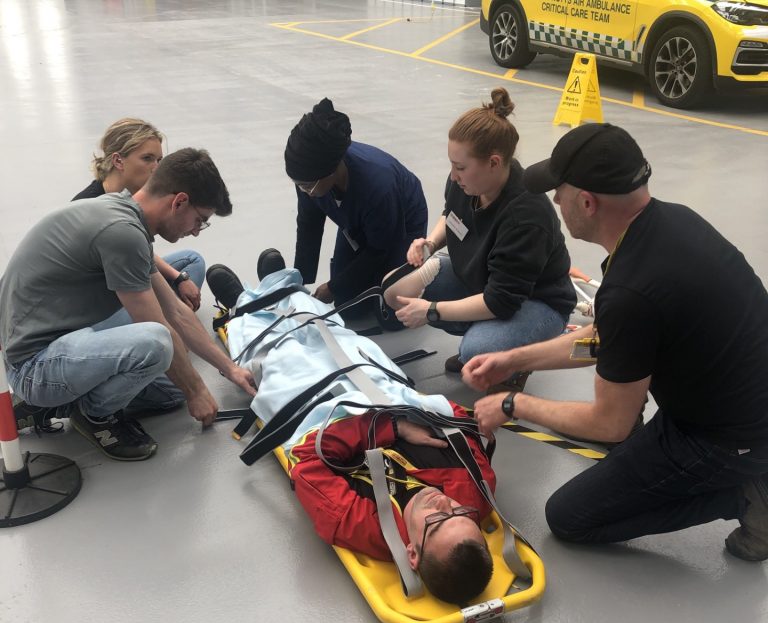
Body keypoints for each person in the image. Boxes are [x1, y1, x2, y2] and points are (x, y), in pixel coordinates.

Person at [465, 123, 768, 562]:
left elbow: (611, 424)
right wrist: (512, 358)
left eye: (559, 191)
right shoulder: (671, 220)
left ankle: (745, 496)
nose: (554, 200)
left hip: (727, 439)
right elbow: (607, 340)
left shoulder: (631, 290)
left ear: (586, 202)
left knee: (569, 516)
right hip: (736, 405)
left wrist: (512, 404)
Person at [211, 255, 497, 605]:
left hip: (315, 414)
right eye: (460, 513)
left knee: (283, 355)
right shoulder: (475, 493)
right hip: (384, 391)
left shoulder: (355, 523)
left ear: (412, 553)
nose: (445, 504)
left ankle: (242, 304)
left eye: (437, 521)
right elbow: (458, 420)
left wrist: (392, 428)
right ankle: (284, 286)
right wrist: (408, 414)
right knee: (332, 334)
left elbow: (307, 460)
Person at [0, 148, 256, 461]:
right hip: (33, 365)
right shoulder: (122, 233)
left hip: (55, 332)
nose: (195, 230)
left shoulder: (124, 211)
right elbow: (159, 326)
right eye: (199, 221)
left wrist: (230, 369)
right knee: (158, 344)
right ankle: (93, 415)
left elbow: (175, 310)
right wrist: (197, 391)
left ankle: (61, 399)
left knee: (171, 390)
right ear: (179, 202)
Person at [382, 87, 576, 386]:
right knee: (394, 290)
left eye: (460, 167)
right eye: (451, 164)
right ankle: (488, 339)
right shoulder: (466, 184)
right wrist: (430, 243)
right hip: (483, 278)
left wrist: (432, 311)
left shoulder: (525, 217)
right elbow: (451, 216)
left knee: (476, 351)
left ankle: (513, 357)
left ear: (494, 163)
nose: (453, 175)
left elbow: (500, 301)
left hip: (536, 302)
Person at [284, 98, 428, 307]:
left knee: (391, 304)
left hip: (400, 224)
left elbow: (379, 250)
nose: (303, 190)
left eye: (306, 186)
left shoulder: (378, 186)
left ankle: (423, 278)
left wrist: (334, 287)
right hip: (358, 221)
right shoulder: (309, 177)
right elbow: (309, 226)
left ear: (331, 171)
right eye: (298, 184)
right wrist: (300, 282)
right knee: (348, 306)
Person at [73, 118, 206, 313]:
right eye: (147, 159)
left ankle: (168, 314)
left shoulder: (133, 197)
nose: (157, 168)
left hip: (127, 279)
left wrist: (179, 278)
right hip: (97, 306)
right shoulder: (90, 207)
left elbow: (139, 251)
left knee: (192, 260)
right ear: (118, 161)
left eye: (159, 160)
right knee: (160, 320)